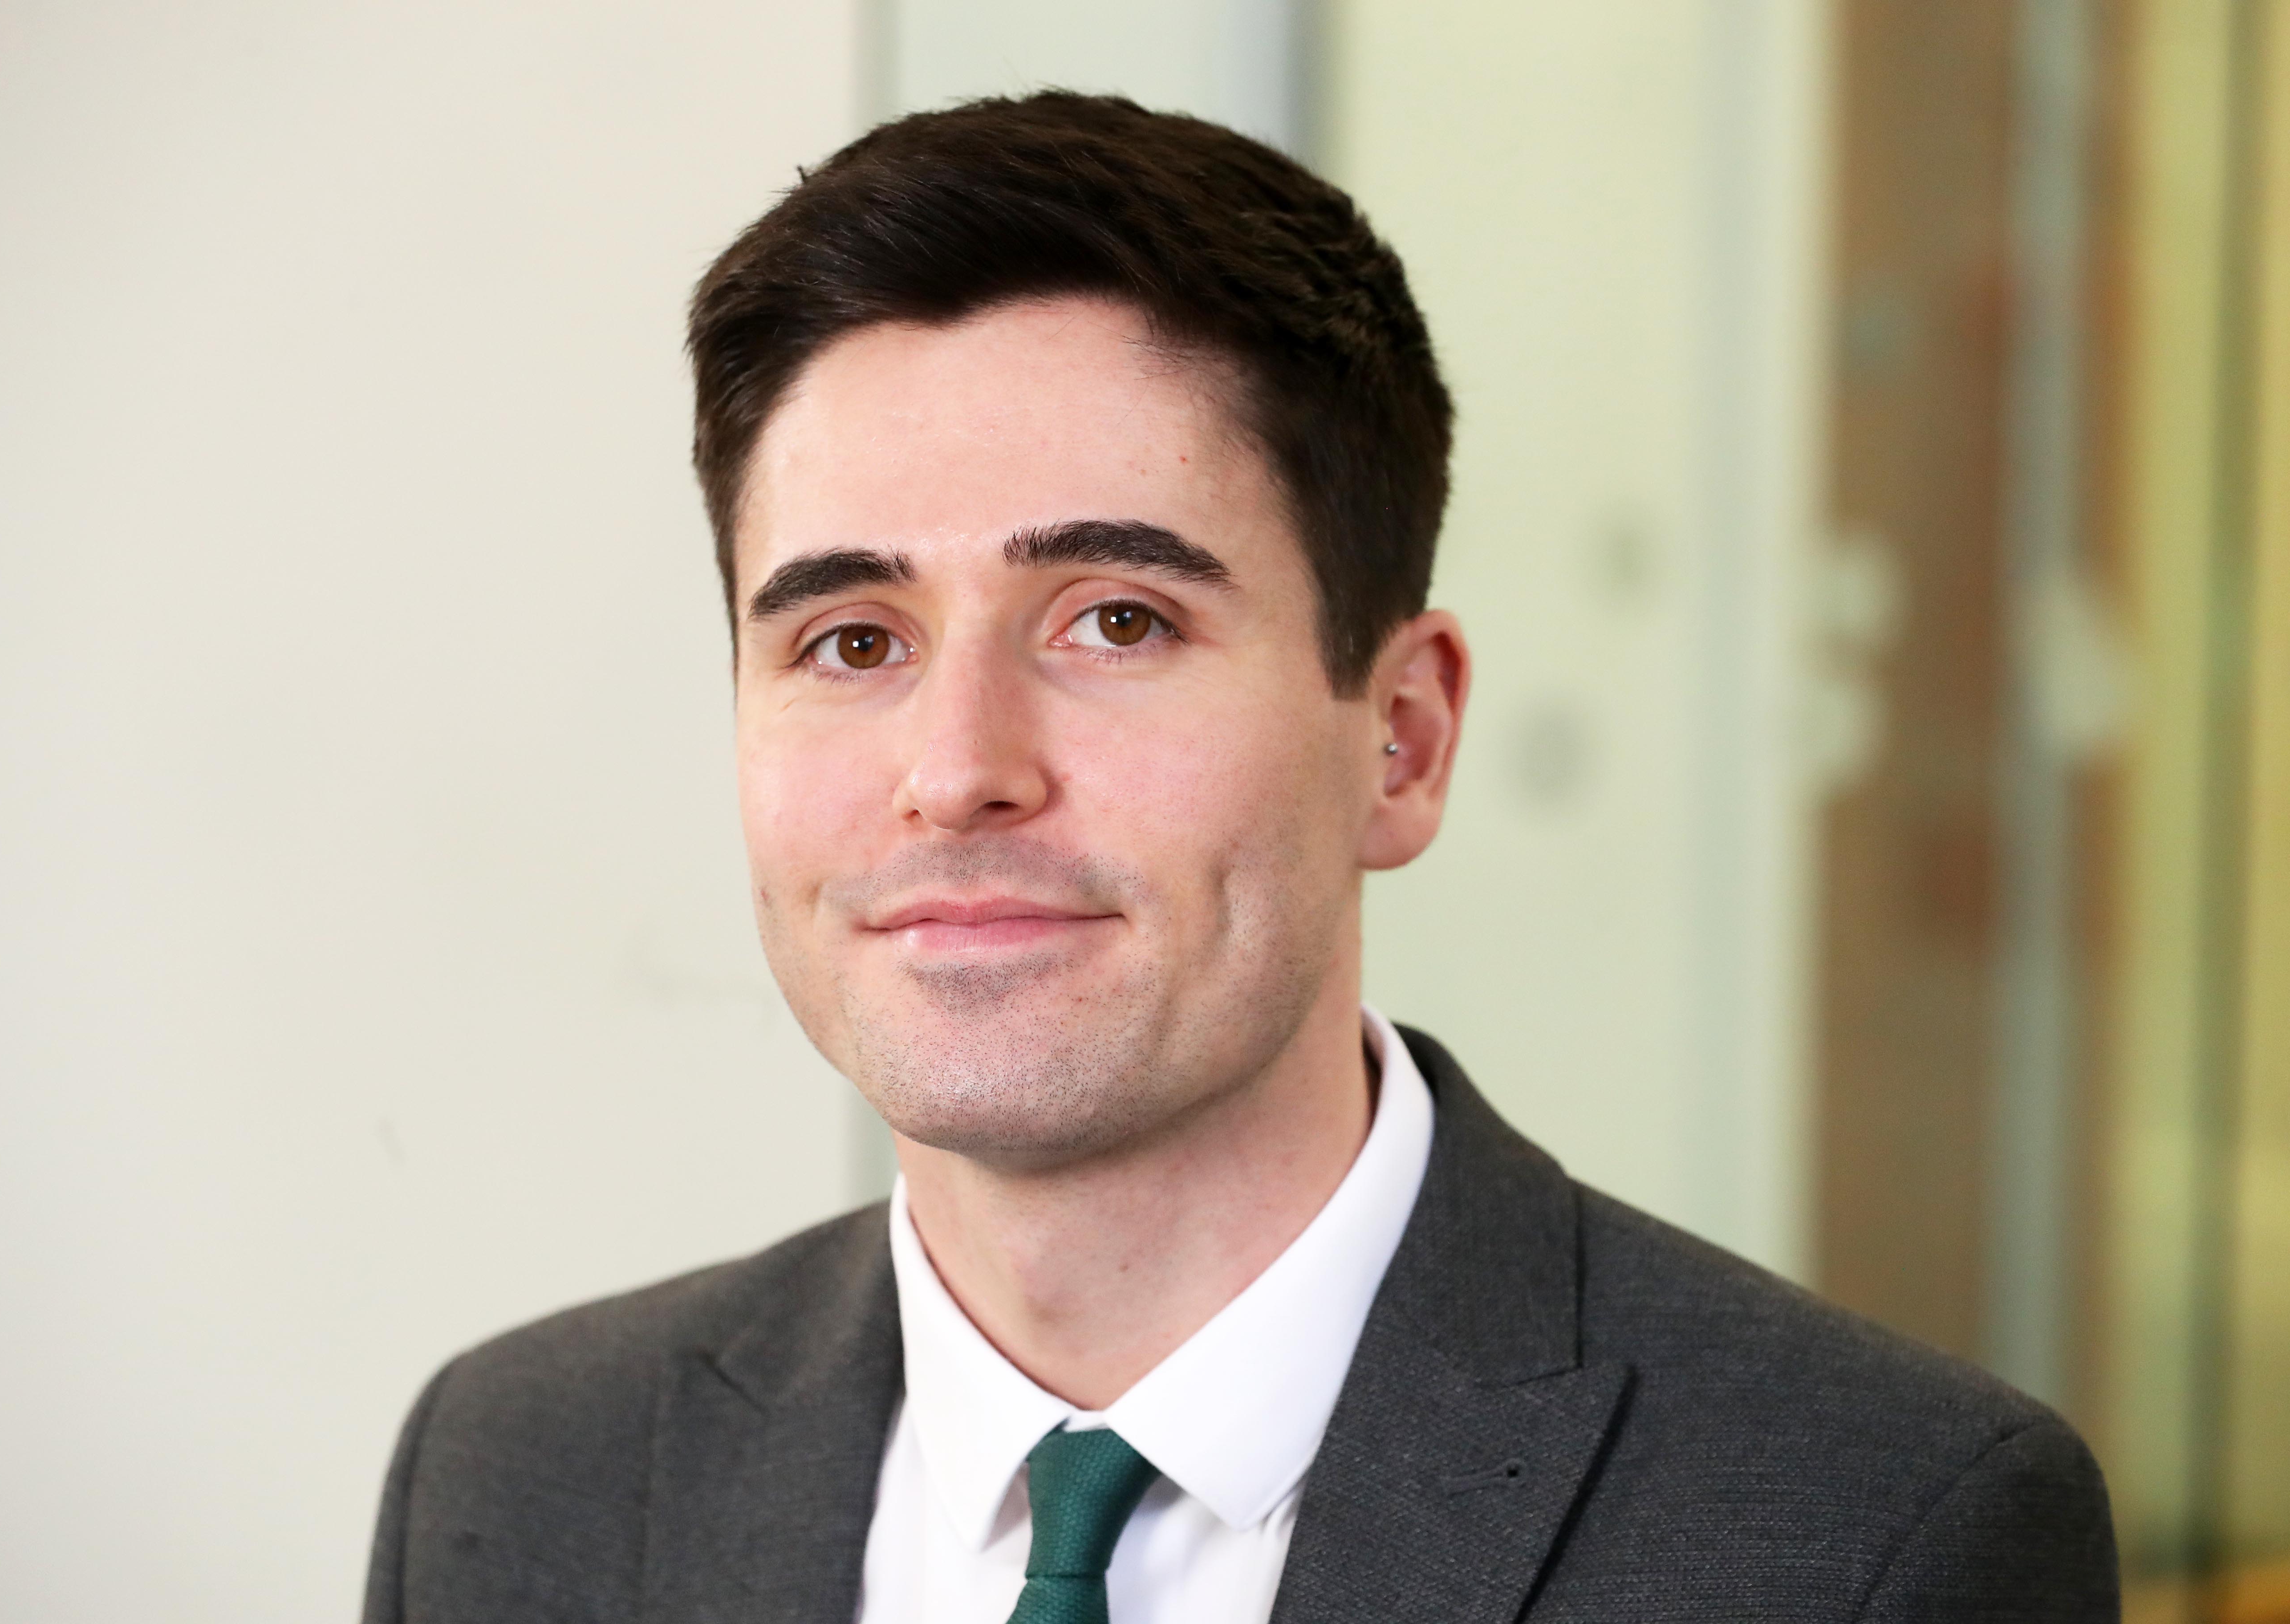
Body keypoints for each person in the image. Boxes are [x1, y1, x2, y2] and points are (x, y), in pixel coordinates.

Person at [361, 92, 2117, 1624]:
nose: (955, 772)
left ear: (1404, 739)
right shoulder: (520, 1486)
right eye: (852, 642)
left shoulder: (1875, 1542)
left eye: (1117, 620)